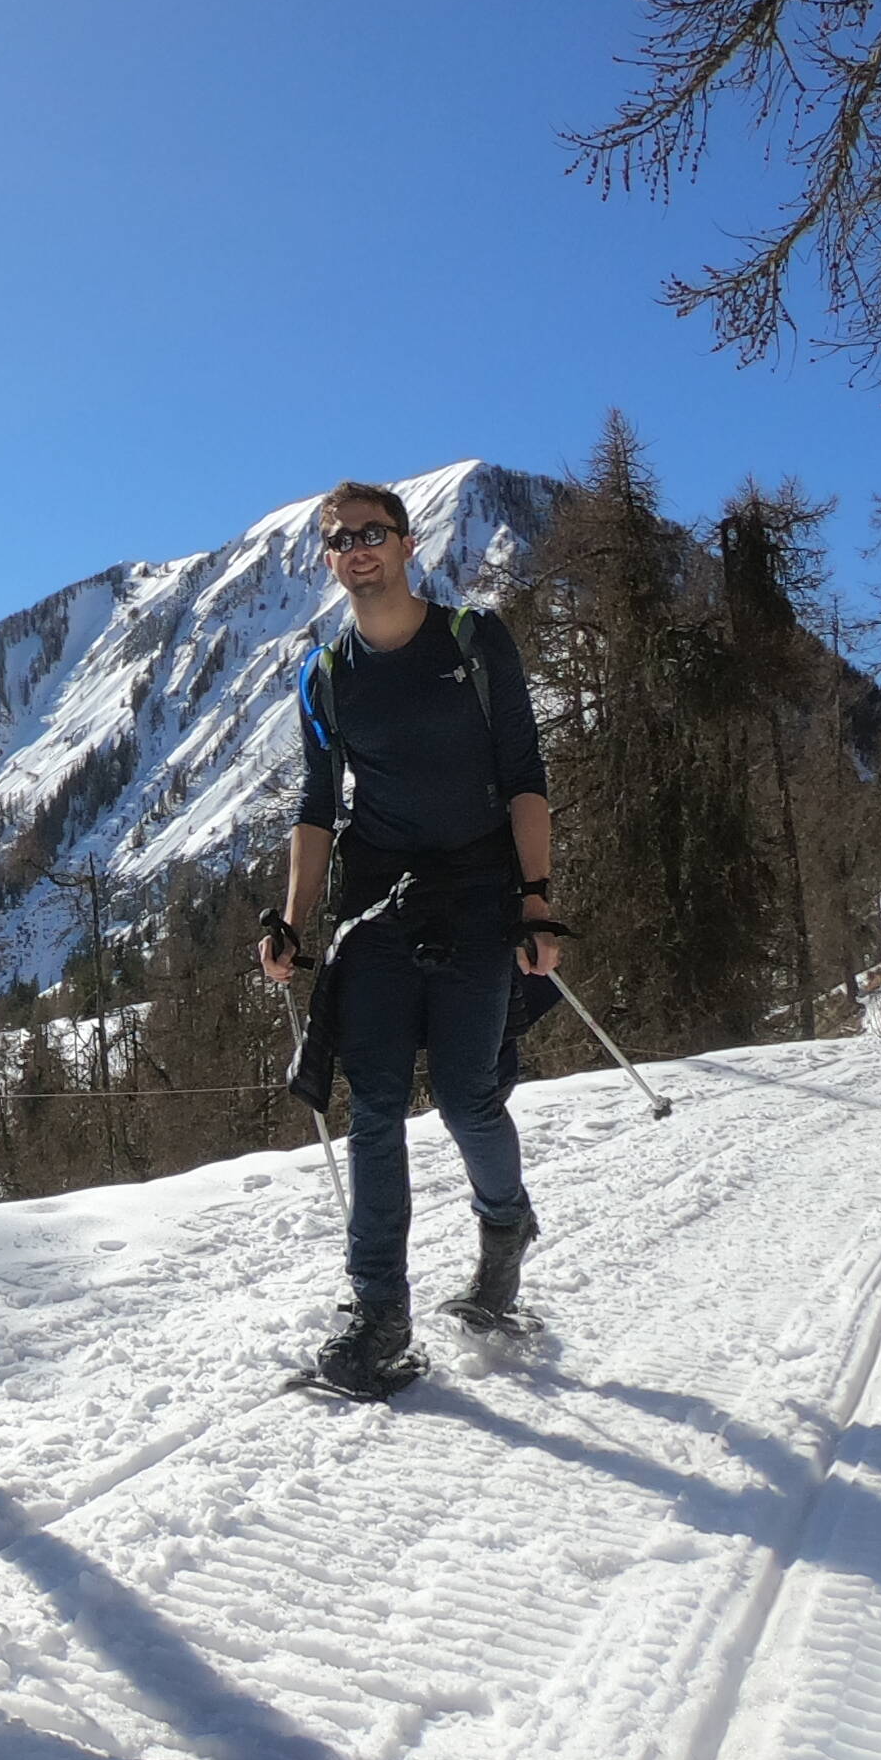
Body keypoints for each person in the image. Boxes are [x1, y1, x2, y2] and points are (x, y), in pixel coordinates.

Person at [255, 480, 560, 1394]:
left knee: (470, 1098)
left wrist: (537, 904)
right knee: (375, 1104)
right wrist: (293, 922)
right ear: (327, 556)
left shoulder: (474, 642)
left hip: (476, 897)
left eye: (373, 533)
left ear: (407, 542)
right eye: (339, 538)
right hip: (376, 909)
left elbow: (524, 777)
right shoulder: (324, 673)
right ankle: (378, 1311)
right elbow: (316, 810)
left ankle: (504, 1232)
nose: (357, 549)